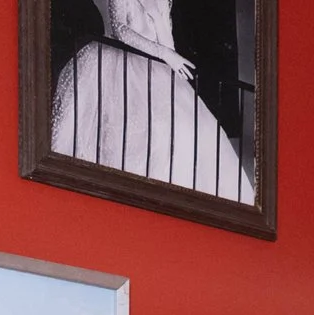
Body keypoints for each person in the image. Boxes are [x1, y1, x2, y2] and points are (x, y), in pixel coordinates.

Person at [50, 0, 255, 205]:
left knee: (199, 131)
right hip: (123, 65)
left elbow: (167, 41)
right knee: (145, 132)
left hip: (159, 71)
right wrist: (164, 53)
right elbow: (120, 30)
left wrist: (171, 60)